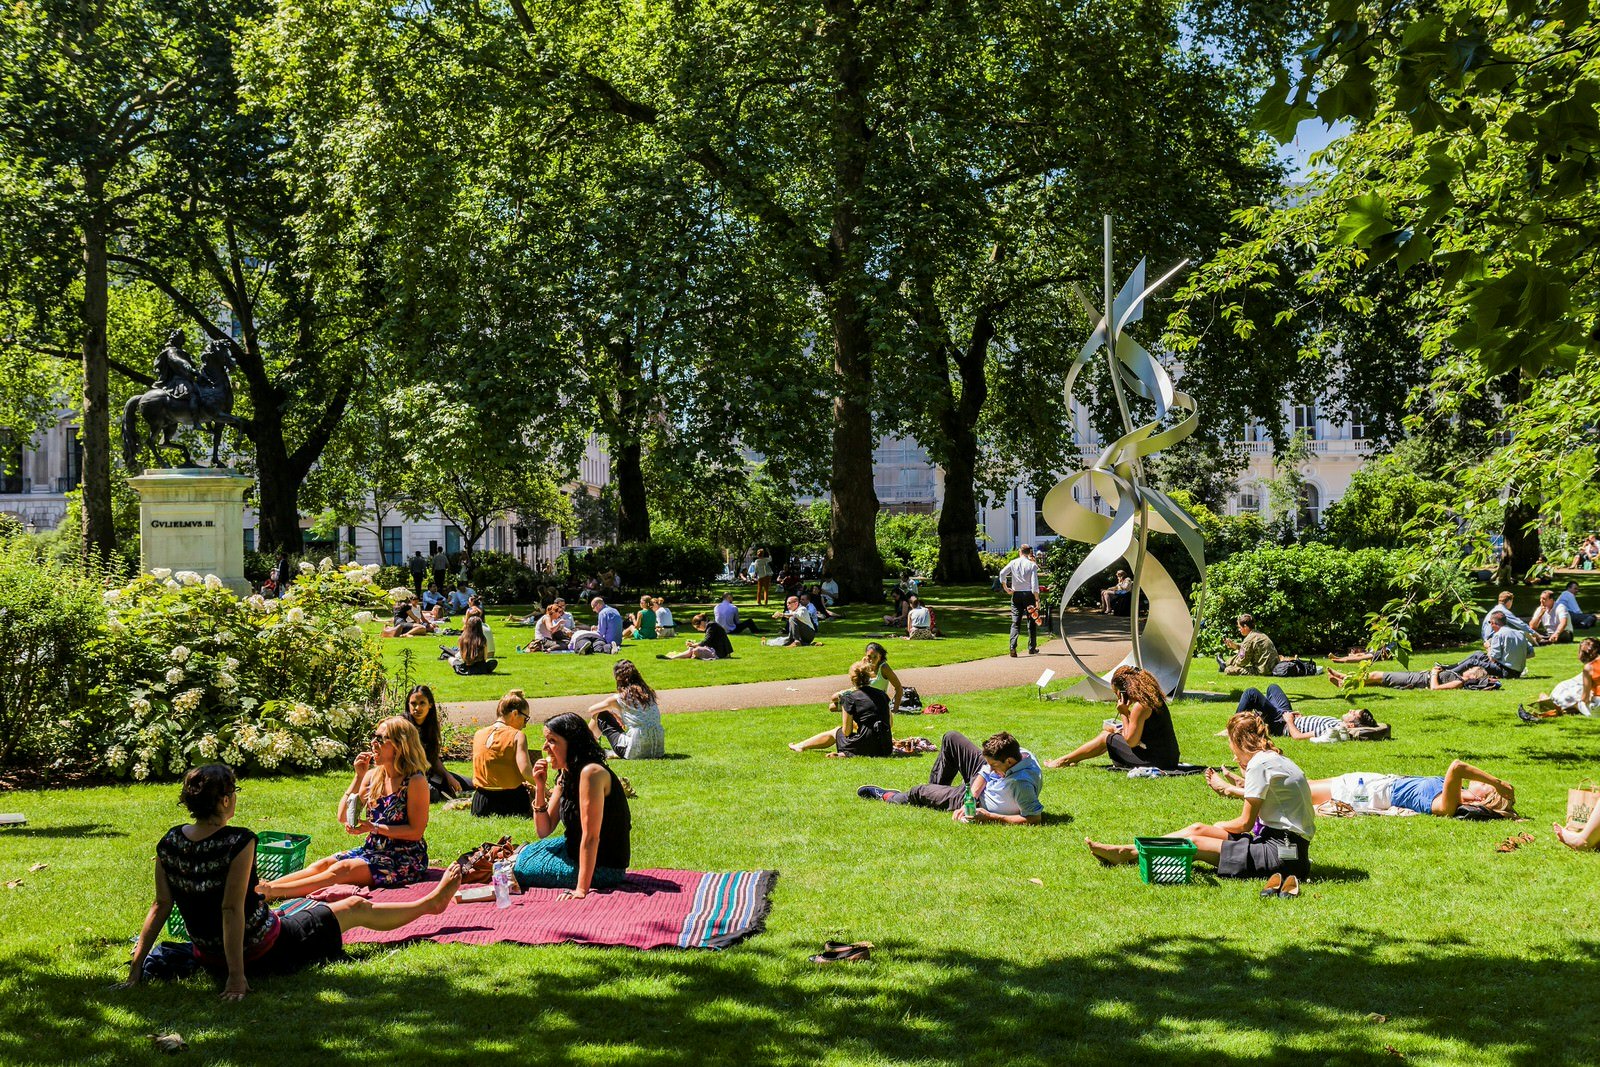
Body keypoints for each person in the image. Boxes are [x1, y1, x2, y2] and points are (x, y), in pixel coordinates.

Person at [123, 764, 462, 1000]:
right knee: (355, 906)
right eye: (234, 792)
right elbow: (230, 909)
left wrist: (136, 970)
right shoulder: (238, 841)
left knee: (299, 907)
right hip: (265, 949)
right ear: (225, 800)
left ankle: (294, 911)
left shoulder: (169, 842)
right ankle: (429, 905)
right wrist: (237, 978)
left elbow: (160, 906)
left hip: (207, 953)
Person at [1087, 712, 1314, 883]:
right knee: (1197, 828)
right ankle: (1127, 851)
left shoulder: (1259, 764)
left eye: (1231, 747)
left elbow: (1244, 824)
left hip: (1283, 854)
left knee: (1194, 842)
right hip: (1283, 845)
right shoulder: (1273, 759)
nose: (1233, 754)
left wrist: (1219, 826)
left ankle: (1127, 854)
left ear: (1238, 741)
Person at [258, 718, 431, 899]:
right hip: (372, 850)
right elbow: (342, 816)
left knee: (342, 869)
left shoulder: (415, 781)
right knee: (323, 865)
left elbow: (415, 832)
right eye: (373, 737)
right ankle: (264, 887)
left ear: (400, 745)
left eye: (380, 739)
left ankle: (271, 893)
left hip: (404, 859)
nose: (373, 743)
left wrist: (373, 827)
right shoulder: (373, 776)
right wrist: (358, 777)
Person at [513, 713, 631, 897]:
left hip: (604, 867)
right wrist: (540, 786)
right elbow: (544, 830)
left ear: (572, 743)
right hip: (572, 847)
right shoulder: (566, 773)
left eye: (552, 741)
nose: (545, 747)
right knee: (522, 854)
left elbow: (591, 836)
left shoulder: (591, 773)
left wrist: (581, 890)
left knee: (519, 868)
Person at [1211, 759, 1515, 819]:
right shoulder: (1453, 793)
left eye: (1483, 786)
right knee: (1300, 785)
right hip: (1373, 781)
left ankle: (1235, 791)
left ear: (1481, 796)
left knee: (1297, 793)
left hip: (1367, 793)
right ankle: (1248, 784)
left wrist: (1498, 784)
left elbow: (1457, 766)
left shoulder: (1445, 804)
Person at [857, 731, 1044, 824]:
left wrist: (989, 816)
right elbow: (986, 772)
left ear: (1010, 761)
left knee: (918, 791)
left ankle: (890, 797)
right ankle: (935, 792)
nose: (991, 769)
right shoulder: (1021, 754)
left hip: (982, 805)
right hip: (976, 797)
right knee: (951, 738)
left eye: (995, 765)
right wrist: (970, 798)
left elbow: (1034, 819)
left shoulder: (1021, 784)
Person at [1045, 666, 1182, 770]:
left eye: (1117, 693)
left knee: (1106, 736)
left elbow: (1132, 742)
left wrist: (1123, 712)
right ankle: (1071, 759)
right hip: (1169, 759)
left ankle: (1064, 760)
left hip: (1155, 762)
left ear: (1124, 692)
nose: (1117, 698)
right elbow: (1144, 730)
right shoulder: (1152, 699)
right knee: (1111, 733)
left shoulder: (1140, 707)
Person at [789, 660, 894, 757]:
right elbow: (890, 724)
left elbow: (846, 732)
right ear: (869, 676)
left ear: (852, 679)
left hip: (864, 746)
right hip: (884, 747)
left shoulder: (849, 697)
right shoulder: (882, 695)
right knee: (863, 735)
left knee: (836, 731)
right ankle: (845, 754)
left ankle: (801, 746)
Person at [470, 690, 540, 817]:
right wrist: (543, 789)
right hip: (511, 801)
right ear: (514, 713)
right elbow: (526, 771)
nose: (525, 725)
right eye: (525, 719)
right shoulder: (518, 735)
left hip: (480, 803)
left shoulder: (478, 734)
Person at [586, 660, 666, 759]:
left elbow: (591, 710)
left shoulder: (619, 698)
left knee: (600, 714)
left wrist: (610, 711)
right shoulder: (649, 693)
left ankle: (586, 746)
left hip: (634, 751)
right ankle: (591, 746)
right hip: (657, 750)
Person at [1234, 683, 1375, 738]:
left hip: (1282, 724)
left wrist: (1289, 721)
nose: (1351, 710)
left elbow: (1298, 737)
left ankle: (1234, 727)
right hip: (1289, 717)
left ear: (1351, 725)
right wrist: (1298, 717)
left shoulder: (1334, 728)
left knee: (1251, 693)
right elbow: (1310, 724)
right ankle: (1262, 715)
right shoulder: (1337, 722)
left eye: (1353, 713)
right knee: (1273, 688)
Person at [406, 685, 470, 801]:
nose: (417, 708)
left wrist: (447, 776)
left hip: (430, 774)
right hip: (410, 777)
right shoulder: (403, 726)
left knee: (468, 784)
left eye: (422, 703)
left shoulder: (431, 726)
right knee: (433, 794)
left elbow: (433, 758)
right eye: (413, 703)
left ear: (430, 705)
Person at [1442, 610, 1531, 678]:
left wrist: (1488, 647)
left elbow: (1492, 659)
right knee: (1478, 654)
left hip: (1506, 672)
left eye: (1490, 623)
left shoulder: (1498, 634)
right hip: (1517, 672)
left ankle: (1448, 673)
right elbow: (1531, 653)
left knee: (1472, 662)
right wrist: (1513, 656)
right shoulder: (1520, 633)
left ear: (1493, 623)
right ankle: (1450, 667)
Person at [1529, 637, 1600, 716]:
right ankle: (1556, 708)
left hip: (1596, 708)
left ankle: (1554, 710)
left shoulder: (1589, 668)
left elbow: (1585, 699)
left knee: (1577, 702)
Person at [998, 545, 1040, 657]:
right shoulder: (1032, 565)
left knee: (1015, 622)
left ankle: (1012, 646)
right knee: (1031, 621)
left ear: (1020, 551)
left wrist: (1006, 588)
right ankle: (1032, 647)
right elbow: (1034, 584)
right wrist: (1037, 599)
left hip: (1016, 594)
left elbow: (1002, 573)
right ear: (1029, 552)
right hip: (1028, 594)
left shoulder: (1013, 562)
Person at [1326, 665, 1500, 691]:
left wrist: (1433, 674)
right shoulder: (1458, 677)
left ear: (1473, 675)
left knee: (1376, 676)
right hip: (1417, 677)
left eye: (1471, 670)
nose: (1468, 669)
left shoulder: (1460, 682)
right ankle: (1345, 681)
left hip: (1417, 680)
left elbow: (1435, 688)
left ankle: (1344, 680)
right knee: (1375, 679)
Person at [660, 613, 734, 660]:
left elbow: (706, 641)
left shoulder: (712, 626)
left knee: (696, 650)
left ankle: (674, 657)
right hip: (714, 649)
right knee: (692, 648)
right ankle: (673, 657)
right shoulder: (711, 626)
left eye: (698, 627)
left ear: (702, 622)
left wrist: (694, 644)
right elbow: (707, 641)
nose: (698, 629)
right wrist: (693, 645)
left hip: (720, 652)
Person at [863, 641, 904, 712]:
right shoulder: (864, 665)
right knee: (837, 700)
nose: (871, 660)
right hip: (862, 700)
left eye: (875, 657)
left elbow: (899, 688)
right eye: (869, 656)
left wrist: (895, 710)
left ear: (880, 656)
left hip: (877, 704)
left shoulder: (884, 668)